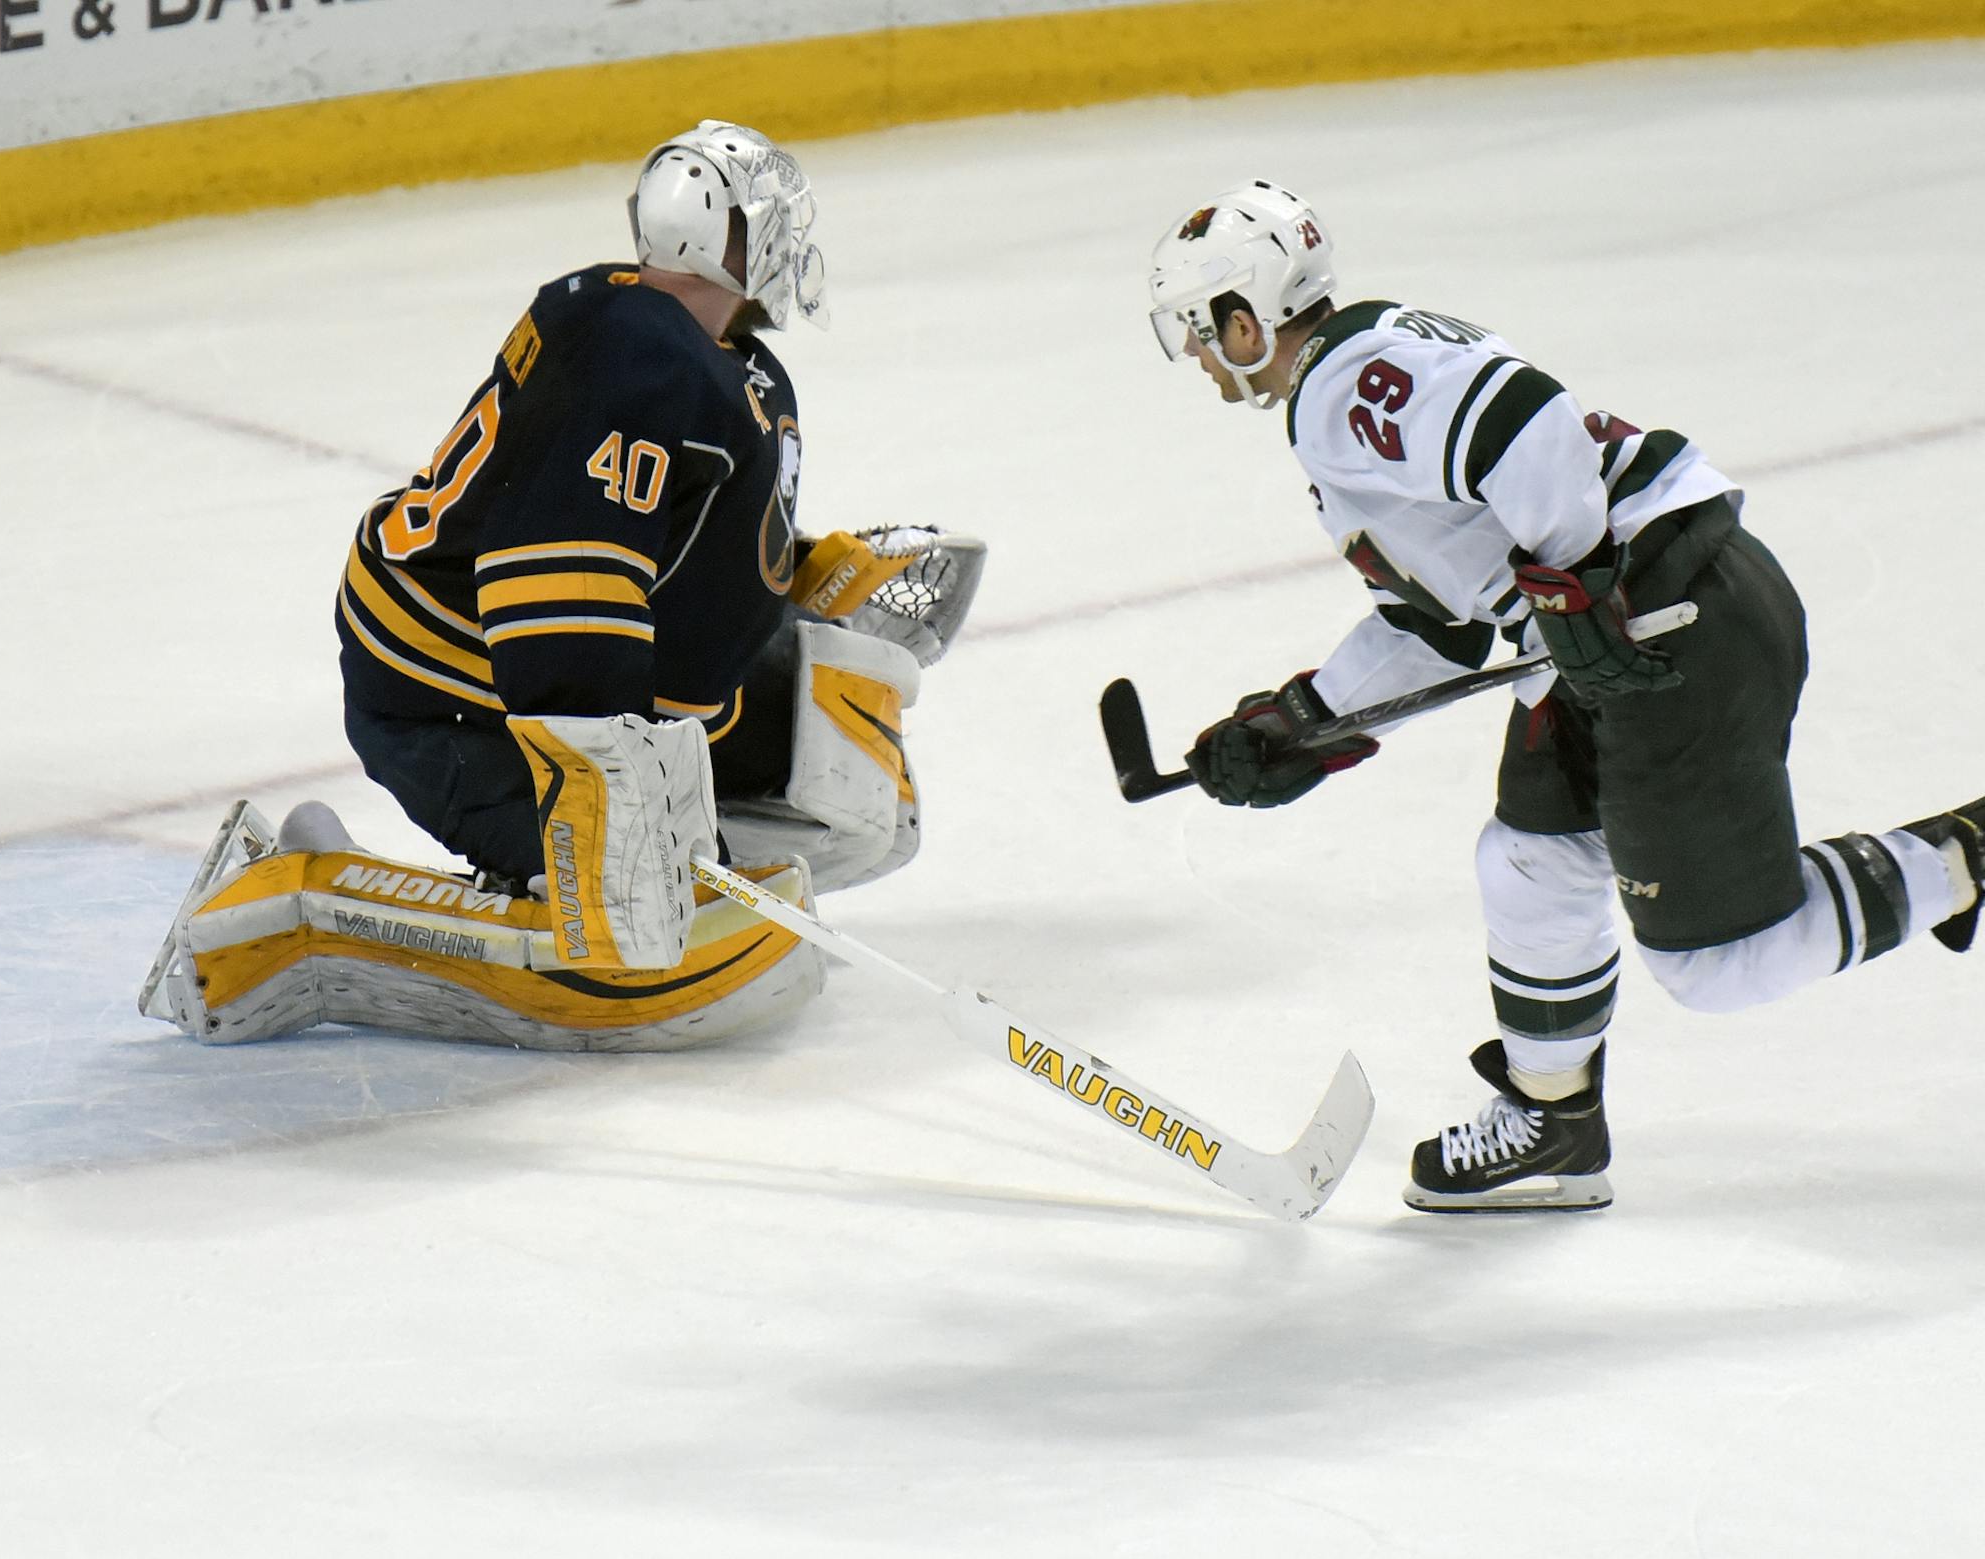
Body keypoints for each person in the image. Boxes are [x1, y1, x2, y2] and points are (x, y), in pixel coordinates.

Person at [1142, 179, 1982, 1213]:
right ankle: (1556, 1119)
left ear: (1244, 317)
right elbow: (1442, 620)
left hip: (1671, 626)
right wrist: (1305, 718)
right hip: (1633, 632)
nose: (1195, 356)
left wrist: (1577, 579)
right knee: (1530, 859)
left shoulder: (1342, 382)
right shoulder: (1356, 378)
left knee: (1724, 965)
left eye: (1198, 329)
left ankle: (1963, 860)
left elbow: (1523, 418)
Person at [141, 120, 983, 1054]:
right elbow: (559, 572)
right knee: (628, 937)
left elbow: (673, 545)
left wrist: (808, 582)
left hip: (577, 675)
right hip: (453, 688)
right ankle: (305, 898)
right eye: (766, 223)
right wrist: (607, 774)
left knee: (855, 804)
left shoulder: (711, 362)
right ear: (718, 239)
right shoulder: (634, 352)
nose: (787, 244)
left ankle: (638, 847)